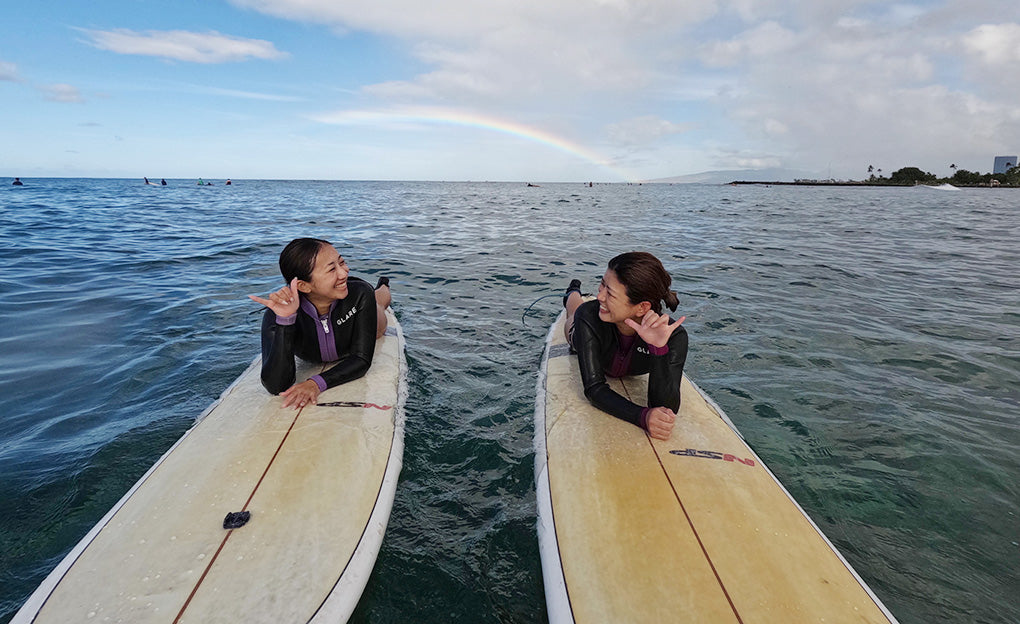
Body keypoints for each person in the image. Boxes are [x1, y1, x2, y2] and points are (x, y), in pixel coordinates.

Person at [249, 238, 392, 409]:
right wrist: (285, 321)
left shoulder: (359, 294)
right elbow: (275, 386)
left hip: (365, 312)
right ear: (303, 286)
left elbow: (361, 359)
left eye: (342, 262)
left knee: (379, 305)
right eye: (332, 269)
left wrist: (315, 383)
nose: (344, 272)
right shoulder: (276, 316)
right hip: (315, 312)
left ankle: (383, 286)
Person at [563, 252, 687, 441]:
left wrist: (658, 350)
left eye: (610, 293)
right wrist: (642, 416)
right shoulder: (589, 316)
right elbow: (594, 389)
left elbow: (665, 408)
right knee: (574, 312)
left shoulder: (674, 336)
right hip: (578, 334)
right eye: (602, 283)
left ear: (642, 307)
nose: (600, 295)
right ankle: (572, 292)